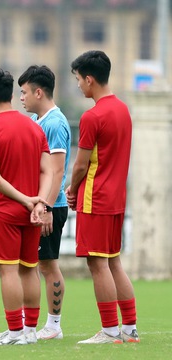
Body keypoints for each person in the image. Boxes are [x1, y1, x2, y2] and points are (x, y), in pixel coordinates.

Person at [66, 50, 139, 344]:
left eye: (78, 80)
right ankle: (129, 328)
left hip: (95, 199)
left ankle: (110, 330)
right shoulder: (122, 109)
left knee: (97, 264)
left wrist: (72, 189)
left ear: (89, 79)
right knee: (114, 262)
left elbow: (81, 164)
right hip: (117, 198)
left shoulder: (93, 115)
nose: (78, 86)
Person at [0, 68, 52, 345]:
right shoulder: (34, 126)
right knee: (29, 268)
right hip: (33, 212)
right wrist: (40, 203)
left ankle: (15, 331)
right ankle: (30, 331)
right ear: (10, 94)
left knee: (8, 271)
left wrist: (25, 200)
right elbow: (48, 171)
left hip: (5, 211)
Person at [18, 65, 71, 340]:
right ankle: (27, 325)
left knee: (47, 264)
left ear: (39, 92)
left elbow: (58, 170)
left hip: (51, 206)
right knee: (35, 264)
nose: (21, 98)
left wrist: (47, 207)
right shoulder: (40, 121)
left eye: (24, 92)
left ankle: (53, 326)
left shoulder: (54, 122)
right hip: (41, 204)